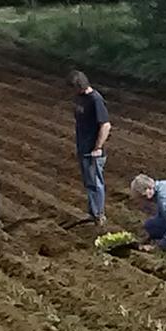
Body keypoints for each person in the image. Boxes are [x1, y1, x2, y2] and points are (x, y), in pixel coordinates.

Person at [69, 70, 112, 226]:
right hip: (83, 147)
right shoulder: (80, 98)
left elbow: (105, 125)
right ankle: (92, 212)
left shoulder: (95, 100)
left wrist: (98, 147)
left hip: (93, 150)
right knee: (89, 182)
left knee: (95, 182)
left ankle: (99, 215)